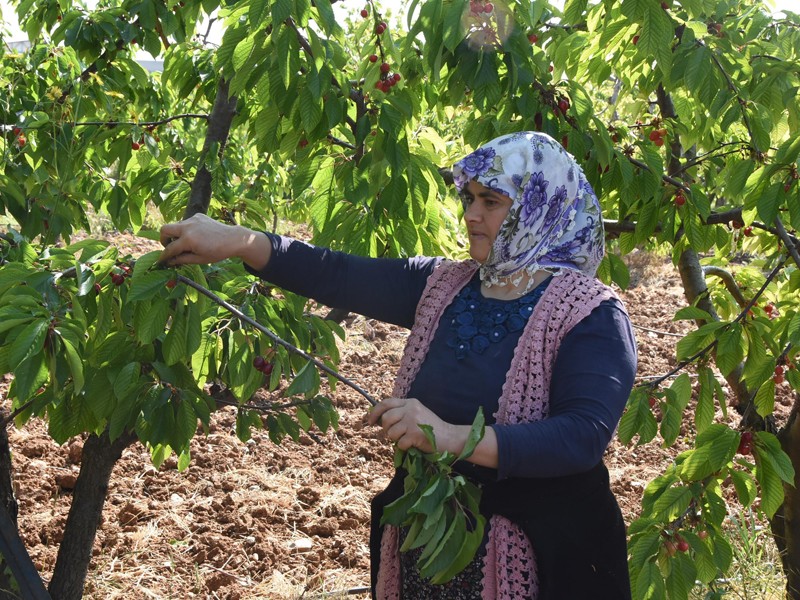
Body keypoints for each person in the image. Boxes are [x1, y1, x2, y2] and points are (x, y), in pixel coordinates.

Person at [159, 131, 637, 600]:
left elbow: (580, 437)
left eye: (491, 201)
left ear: (540, 206)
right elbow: (338, 274)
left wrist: (447, 435)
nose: (471, 214)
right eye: (469, 198)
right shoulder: (446, 284)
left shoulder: (589, 313)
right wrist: (241, 242)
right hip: (433, 542)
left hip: (546, 557)